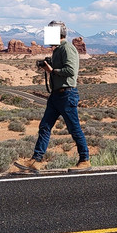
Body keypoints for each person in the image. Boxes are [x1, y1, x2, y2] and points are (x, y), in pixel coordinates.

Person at [10, 21, 90, 173]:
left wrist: (53, 70)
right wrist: (49, 69)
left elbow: (70, 71)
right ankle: (36, 160)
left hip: (67, 95)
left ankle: (84, 159)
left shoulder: (68, 48)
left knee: (74, 128)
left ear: (58, 33)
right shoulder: (58, 50)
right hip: (55, 96)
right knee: (44, 127)